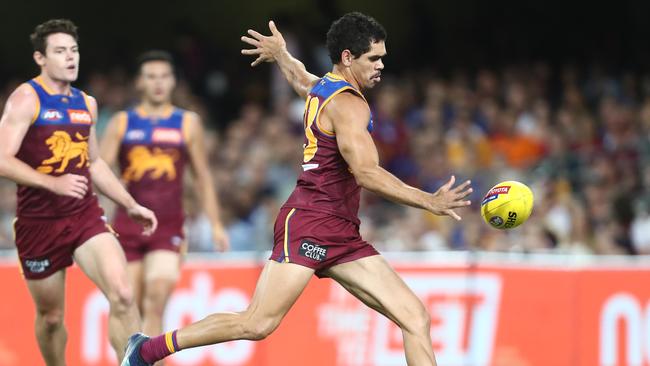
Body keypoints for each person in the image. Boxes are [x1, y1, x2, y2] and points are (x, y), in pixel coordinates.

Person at [122, 12, 471, 366]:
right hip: (310, 222)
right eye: (374, 58)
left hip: (341, 231)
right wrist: (429, 200)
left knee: (415, 317)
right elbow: (366, 173)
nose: (381, 65)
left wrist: (281, 56)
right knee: (257, 323)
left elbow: (301, 79)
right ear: (348, 57)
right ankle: (147, 350)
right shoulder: (349, 104)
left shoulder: (326, 88)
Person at [0, 19, 158, 364]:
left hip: (84, 215)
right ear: (41, 58)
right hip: (38, 223)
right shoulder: (26, 99)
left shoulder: (86, 103)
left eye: (73, 50)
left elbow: (94, 163)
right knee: (52, 317)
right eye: (60, 51)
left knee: (123, 293)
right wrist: (52, 182)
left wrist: (129, 203)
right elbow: (1, 159)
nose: (70, 58)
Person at [100, 50, 229, 342]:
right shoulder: (122, 122)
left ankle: (148, 360)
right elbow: (100, 169)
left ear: (173, 82)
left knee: (155, 300)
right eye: (151, 77)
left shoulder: (187, 123)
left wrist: (216, 224)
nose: (158, 83)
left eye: (164, 76)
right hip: (127, 225)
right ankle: (127, 360)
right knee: (125, 303)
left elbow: (203, 177)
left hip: (168, 226)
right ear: (139, 83)